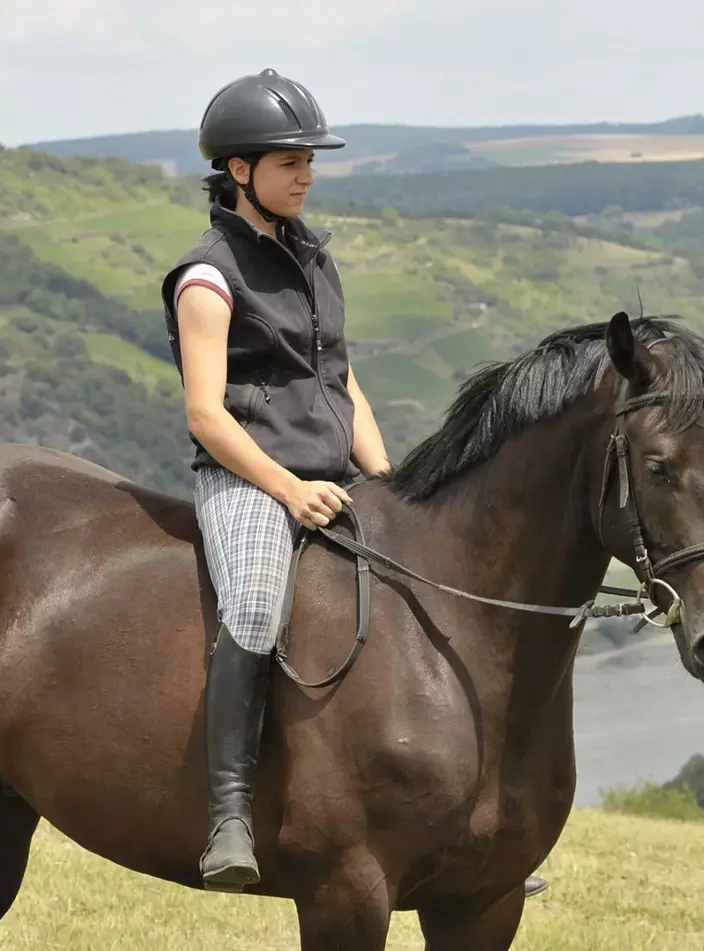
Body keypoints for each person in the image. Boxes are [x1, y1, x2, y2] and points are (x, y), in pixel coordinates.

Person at [160, 68, 548, 899]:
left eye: (311, 159)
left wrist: (391, 481)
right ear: (239, 170)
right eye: (291, 160)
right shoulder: (205, 277)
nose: (307, 172)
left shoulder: (311, 255)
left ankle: (466, 823)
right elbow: (206, 414)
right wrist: (287, 489)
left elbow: (344, 381)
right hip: (248, 479)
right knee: (258, 606)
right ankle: (229, 811)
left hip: (338, 474)